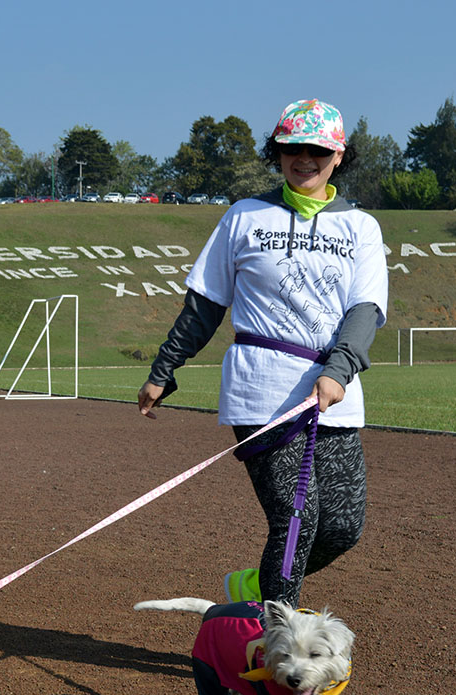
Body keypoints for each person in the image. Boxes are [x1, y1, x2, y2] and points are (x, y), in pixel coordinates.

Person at [137, 98, 389, 607]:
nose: (305, 159)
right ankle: (276, 645)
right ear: (277, 152)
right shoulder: (244, 217)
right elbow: (205, 304)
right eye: (293, 147)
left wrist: (339, 371)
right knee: (297, 518)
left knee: (342, 527)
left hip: (332, 393)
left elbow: (366, 310)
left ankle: (257, 587)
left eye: (318, 150)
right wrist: (164, 369)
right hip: (262, 391)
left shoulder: (361, 227)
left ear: (338, 156)